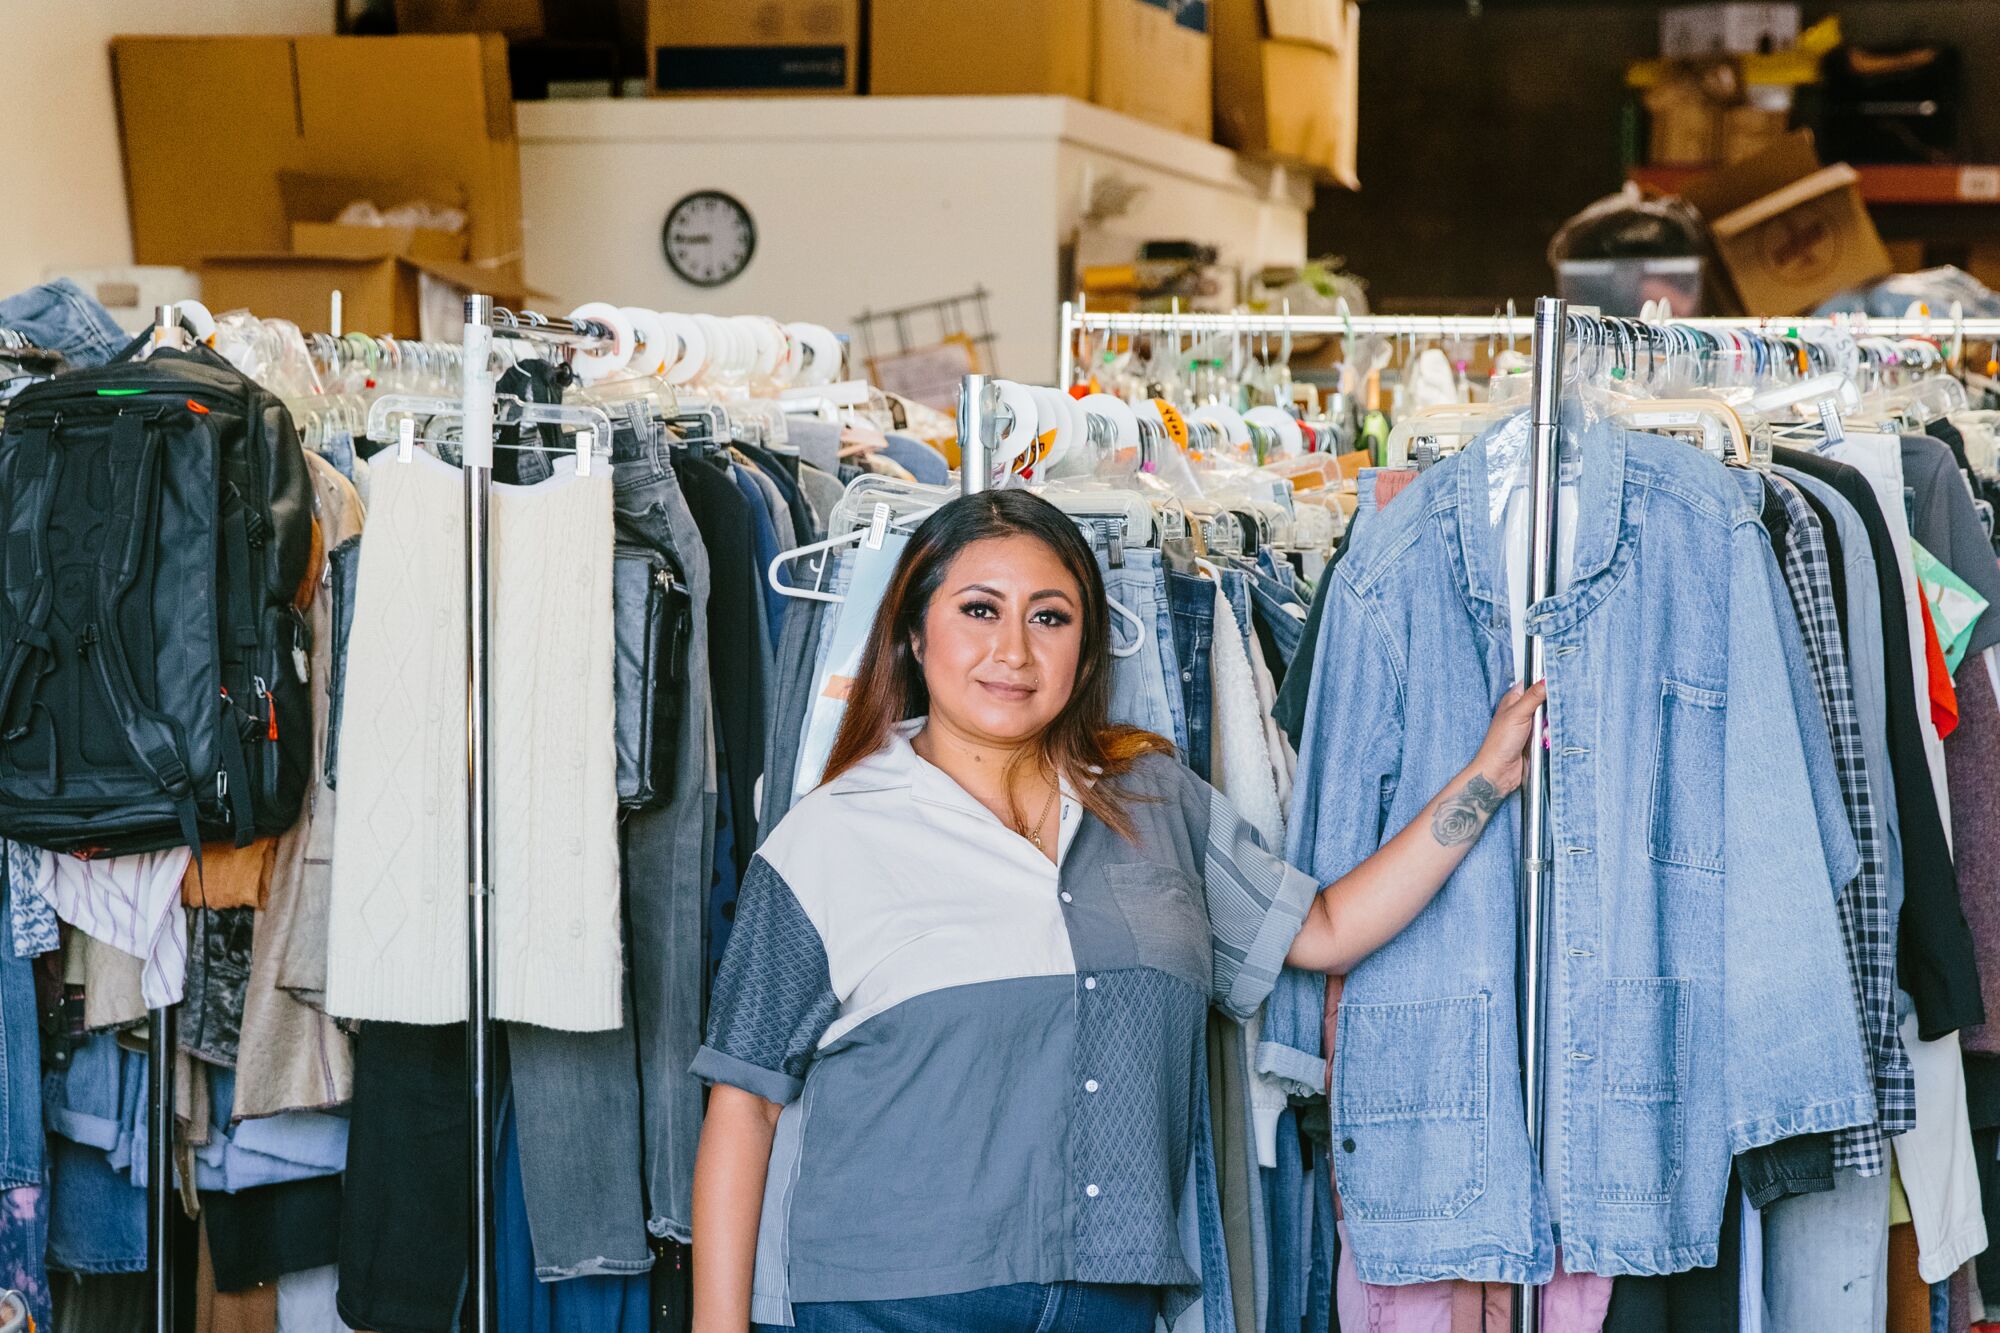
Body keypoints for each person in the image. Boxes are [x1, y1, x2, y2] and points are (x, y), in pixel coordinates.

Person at [690, 490, 1544, 1333]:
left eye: (1050, 617)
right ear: (916, 634)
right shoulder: (832, 834)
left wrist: (1486, 778)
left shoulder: (1156, 801)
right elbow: (745, 1102)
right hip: (882, 1300)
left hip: (1108, 1298)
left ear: (1088, 645)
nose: (1013, 650)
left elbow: (1322, 930)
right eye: (979, 609)